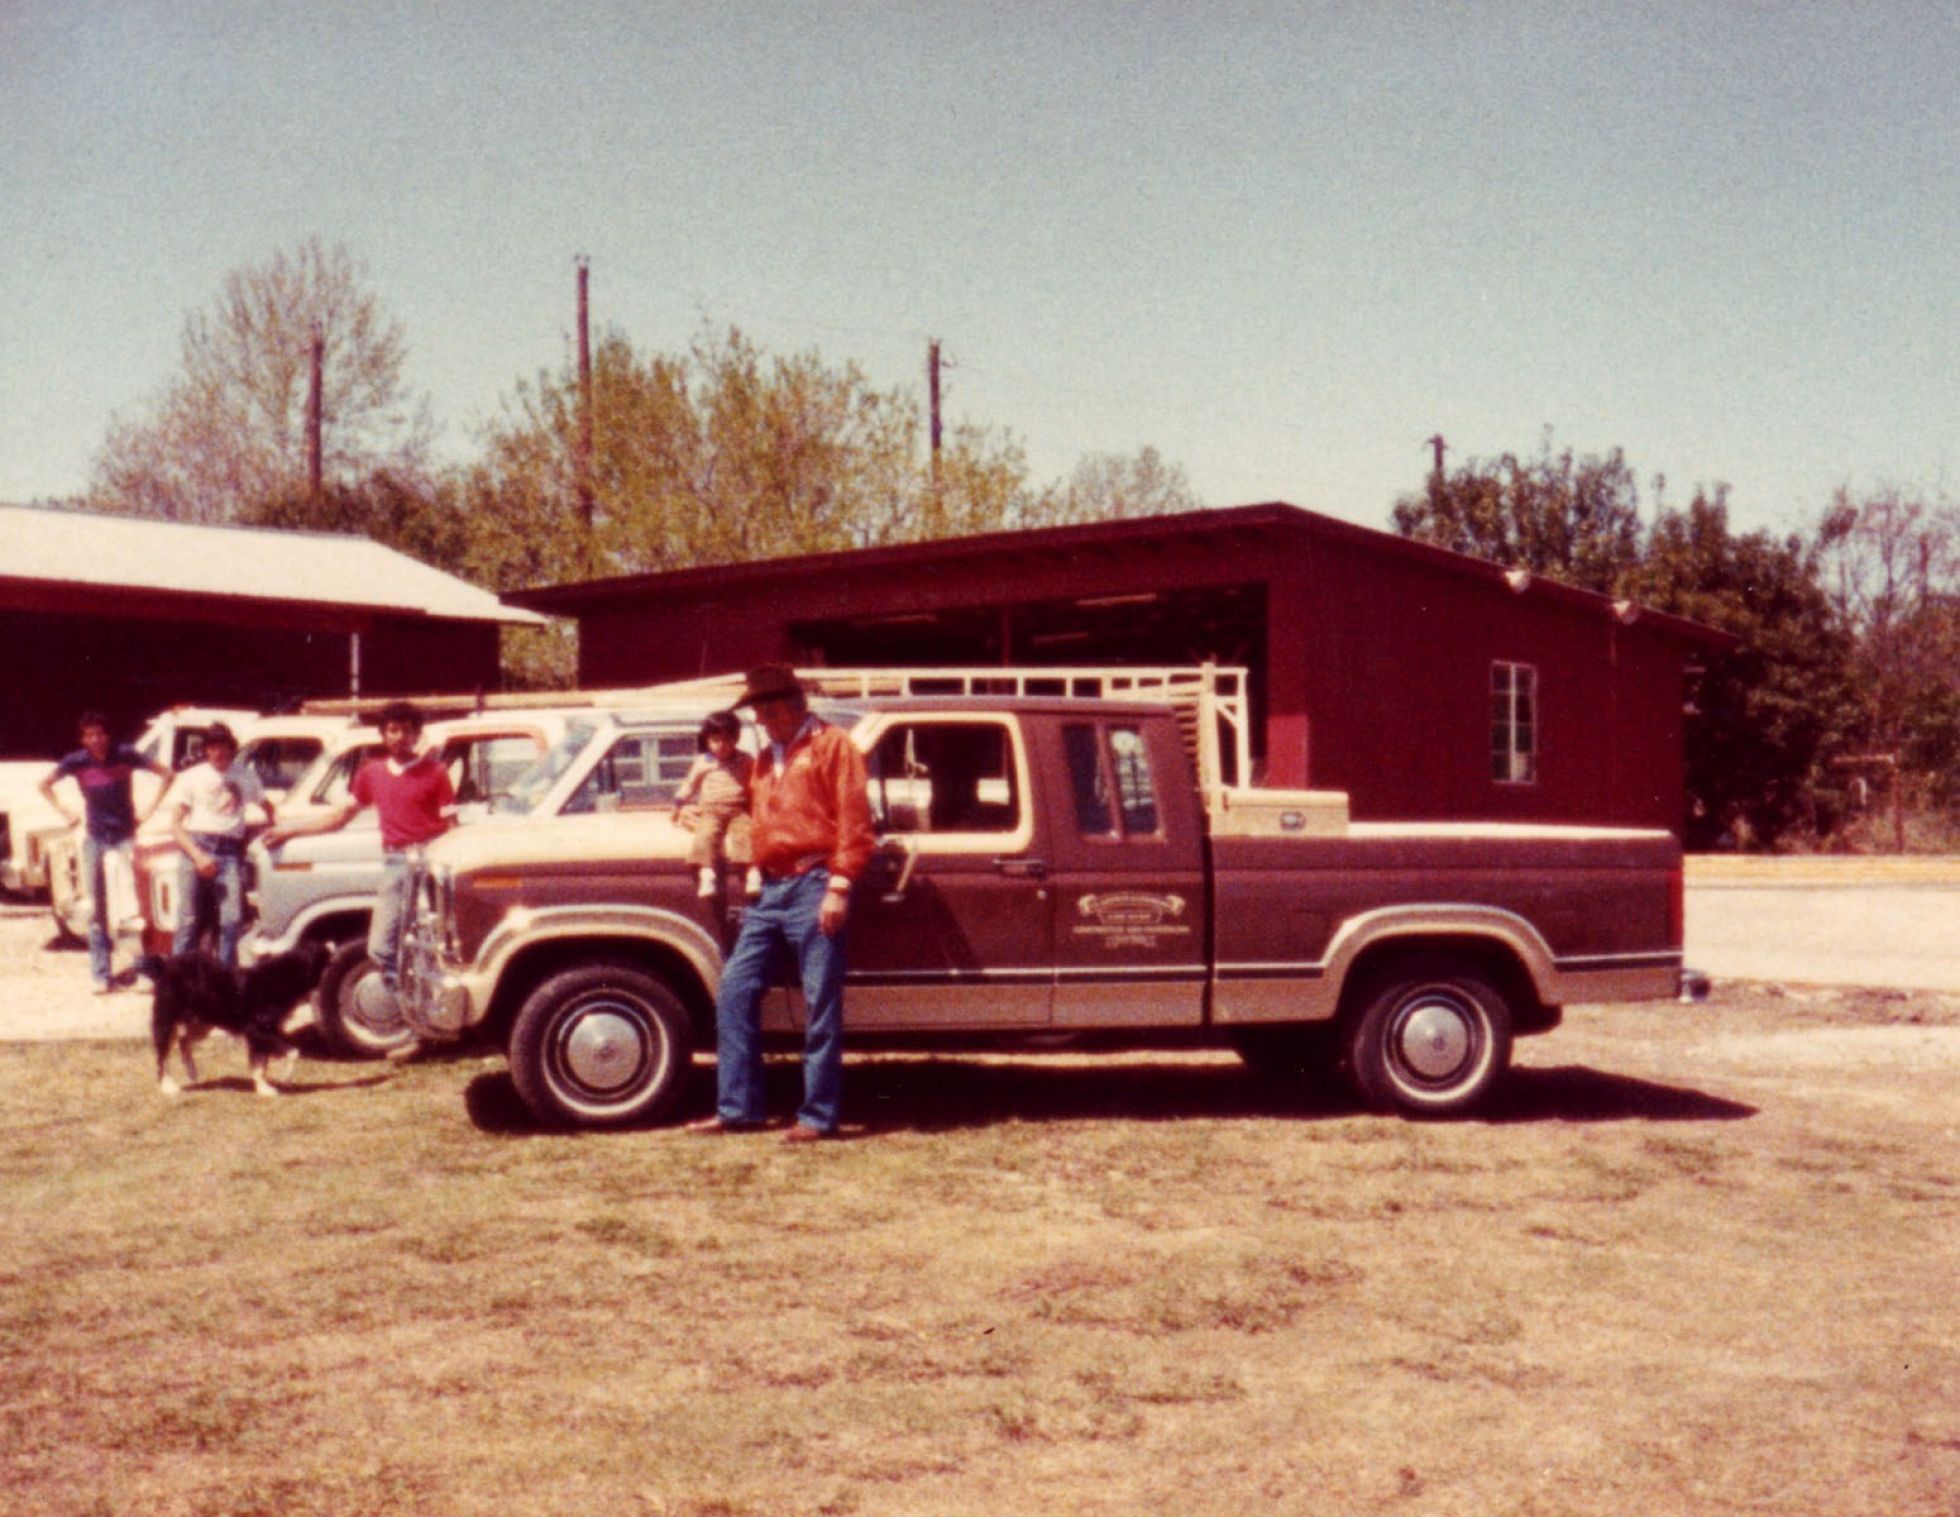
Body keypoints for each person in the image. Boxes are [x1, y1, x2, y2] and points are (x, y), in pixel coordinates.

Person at [686, 664, 874, 1143]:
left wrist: (839, 885)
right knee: (734, 988)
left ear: (787, 708)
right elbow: (753, 814)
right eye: (757, 714)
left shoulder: (835, 746)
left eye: (764, 713)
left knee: (820, 1002)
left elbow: (855, 821)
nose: (760, 723)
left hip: (815, 881)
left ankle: (817, 1116)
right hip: (770, 890)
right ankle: (738, 1109)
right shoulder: (767, 758)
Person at [260, 700, 453, 1007]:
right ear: (383, 734)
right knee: (381, 948)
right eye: (393, 730)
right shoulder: (371, 772)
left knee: (431, 947)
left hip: (430, 864)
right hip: (396, 864)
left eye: (406, 730)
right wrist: (289, 830)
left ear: (417, 734)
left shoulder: (436, 772)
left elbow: (451, 827)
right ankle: (410, 1014)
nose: (400, 737)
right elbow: (339, 817)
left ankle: (433, 1016)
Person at [39, 711, 172, 993]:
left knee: (136, 904)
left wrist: (148, 810)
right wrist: (65, 812)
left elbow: (167, 775)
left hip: (125, 837)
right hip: (95, 839)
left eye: (99, 734)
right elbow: (44, 785)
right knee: (96, 907)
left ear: (107, 735)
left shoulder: (125, 755)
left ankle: (144, 969)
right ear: (83, 738)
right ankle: (101, 974)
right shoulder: (76, 762)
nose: (95, 740)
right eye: (89, 735)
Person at [162, 723, 268, 968]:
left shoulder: (245, 775)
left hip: (229, 852)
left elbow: (268, 808)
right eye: (213, 748)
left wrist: (271, 831)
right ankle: (177, 978)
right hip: (195, 848)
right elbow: (176, 825)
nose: (218, 753)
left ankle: (224, 978)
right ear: (206, 750)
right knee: (188, 919)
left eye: (223, 747)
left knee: (231, 920)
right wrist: (198, 857)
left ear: (231, 749)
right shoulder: (191, 777)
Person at [670, 710, 756, 898]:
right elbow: (690, 784)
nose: (721, 746)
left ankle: (752, 872)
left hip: (738, 809)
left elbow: (756, 783)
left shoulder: (745, 760)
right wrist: (678, 802)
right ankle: (707, 873)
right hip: (711, 809)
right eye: (716, 740)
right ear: (707, 740)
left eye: (727, 740)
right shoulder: (703, 762)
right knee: (706, 835)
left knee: (746, 833)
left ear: (736, 739)